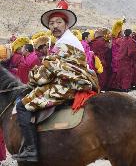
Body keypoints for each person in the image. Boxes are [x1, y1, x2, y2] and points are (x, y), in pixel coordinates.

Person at [12, 9, 99, 162]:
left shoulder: (64, 42)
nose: (54, 26)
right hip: (71, 81)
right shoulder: (66, 39)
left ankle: (31, 149)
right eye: (51, 23)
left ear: (66, 25)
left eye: (59, 22)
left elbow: (48, 71)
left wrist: (32, 78)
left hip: (67, 85)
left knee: (22, 106)